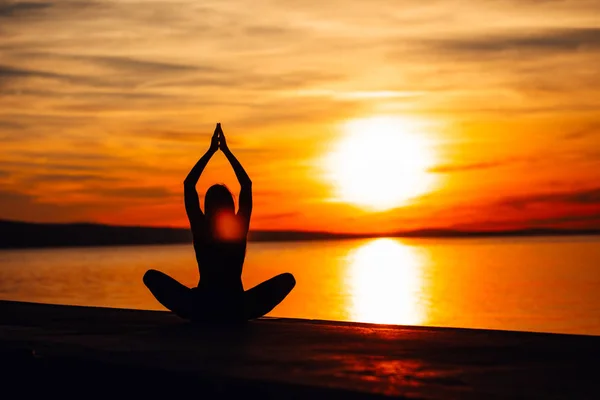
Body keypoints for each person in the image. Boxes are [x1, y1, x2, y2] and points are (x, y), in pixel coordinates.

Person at [143, 123, 296, 323]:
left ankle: (205, 312)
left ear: (208, 206)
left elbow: (189, 185)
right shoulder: (237, 229)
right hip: (236, 308)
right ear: (229, 206)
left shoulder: (202, 228)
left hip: (202, 307)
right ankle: (223, 313)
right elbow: (246, 185)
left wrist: (211, 152)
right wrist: (226, 151)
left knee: (151, 276)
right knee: (288, 279)